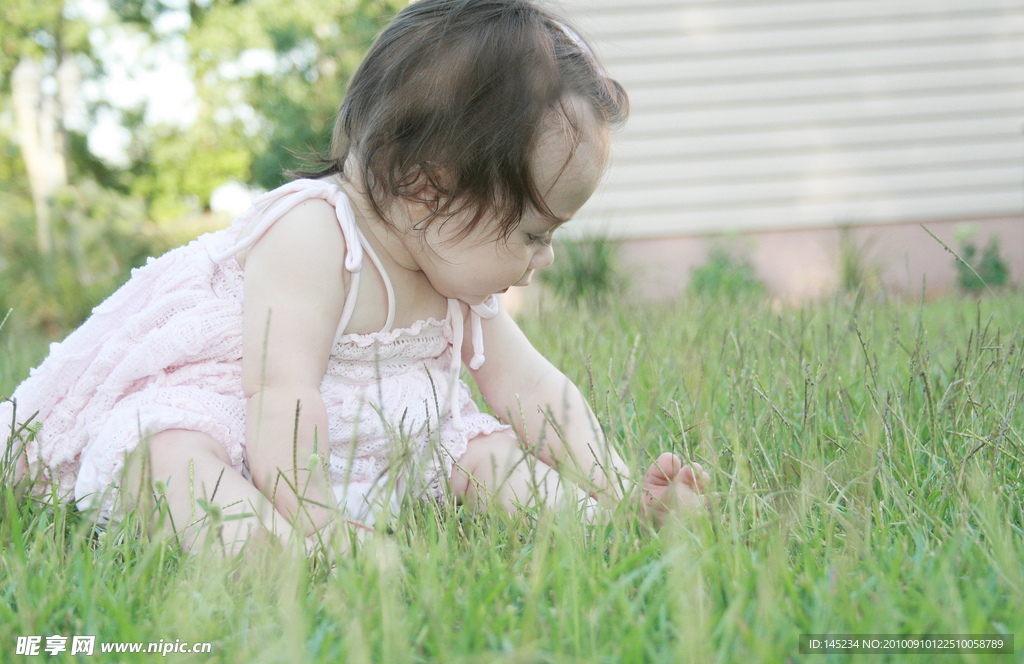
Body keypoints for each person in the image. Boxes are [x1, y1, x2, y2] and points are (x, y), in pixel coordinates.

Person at [0, 0, 709, 555]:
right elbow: (282, 397)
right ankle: (271, 549)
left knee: (485, 450)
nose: (544, 257)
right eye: (533, 231)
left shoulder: (457, 281)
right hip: (248, 429)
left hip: (378, 445)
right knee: (169, 456)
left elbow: (536, 391)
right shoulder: (313, 235)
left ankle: (609, 524)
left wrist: (615, 483)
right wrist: (319, 524)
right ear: (430, 189)